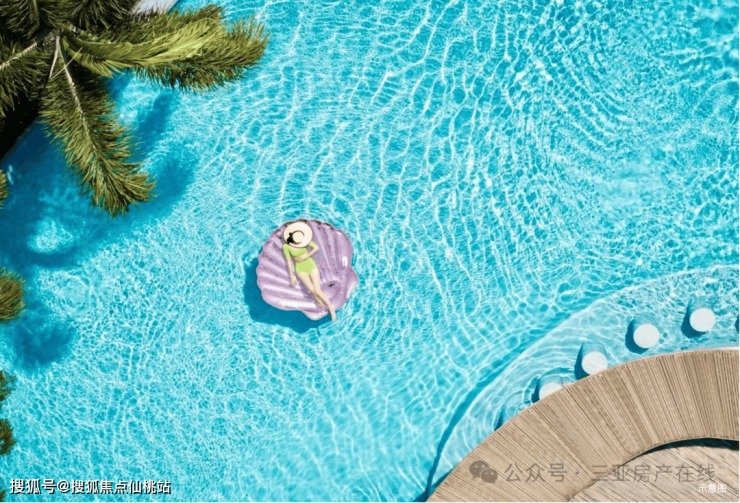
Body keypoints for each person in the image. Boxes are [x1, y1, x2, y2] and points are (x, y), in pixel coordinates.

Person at [282, 221, 337, 321]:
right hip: (299, 268)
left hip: (311, 265)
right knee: (311, 290)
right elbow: (289, 261)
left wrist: (306, 256)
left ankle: (331, 308)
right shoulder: (286, 246)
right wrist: (292, 276)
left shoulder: (304, 241)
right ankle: (319, 301)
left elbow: (316, 248)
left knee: (317, 290)